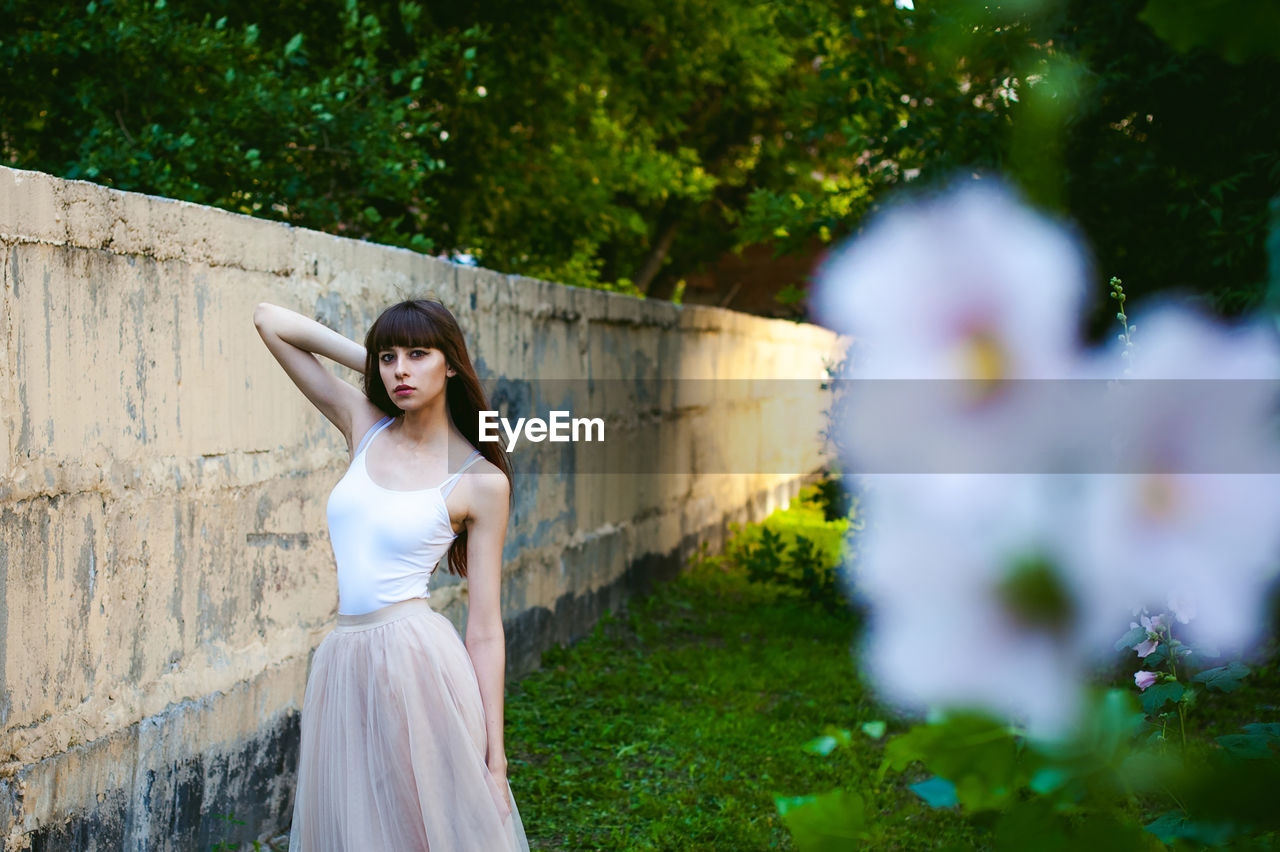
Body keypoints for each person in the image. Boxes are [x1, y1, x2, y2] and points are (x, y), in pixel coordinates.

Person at [253, 298, 530, 852]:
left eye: (419, 355)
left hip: (417, 661)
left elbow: (485, 628)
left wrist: (496, 760)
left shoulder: (479, 481)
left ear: (451, 364)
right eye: (389, 357)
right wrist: (385, 371)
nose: (400, 368)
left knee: (423, 824)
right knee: (359, 827)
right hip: (343, 658)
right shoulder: (365, 426)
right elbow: (270, 321)